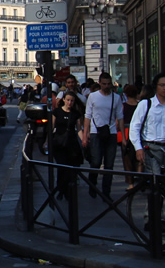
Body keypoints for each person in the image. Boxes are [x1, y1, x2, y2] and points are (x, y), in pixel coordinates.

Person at [82, 71, 124, 199]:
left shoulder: (116, 98)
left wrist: (123, 136)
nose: (106, 86)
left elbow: (120, 117)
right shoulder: (93, 97)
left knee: (109, 165)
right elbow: (87, 116)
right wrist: (85, 135)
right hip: (95, 132)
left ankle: (106, 192)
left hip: (111, 132)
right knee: (95, 162)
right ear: (99, 83)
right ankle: (93, 186)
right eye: (104, 84)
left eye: (108, 84)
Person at [50, 91, 84, 199]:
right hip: (59, 143)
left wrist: (84, 140)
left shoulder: (75, 114)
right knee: (61, 166)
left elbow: (79, 129)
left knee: (70, 168)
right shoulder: (57, 112)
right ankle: (60, 189)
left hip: (71, 143)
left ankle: (67, 191)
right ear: (63, 99)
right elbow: (51, 127)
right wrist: (47, 141)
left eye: (72, 101)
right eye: (68, 100)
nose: (70, 103)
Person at [119, 84, 142, 189]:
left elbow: (119, 122)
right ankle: (140, 177)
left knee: (127, 158)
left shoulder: (123, 106)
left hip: (127, 134)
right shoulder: (140, 105)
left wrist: (123, 137)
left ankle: (131, 183)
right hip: (140, 133)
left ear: (126, 94)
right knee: (139, 157)